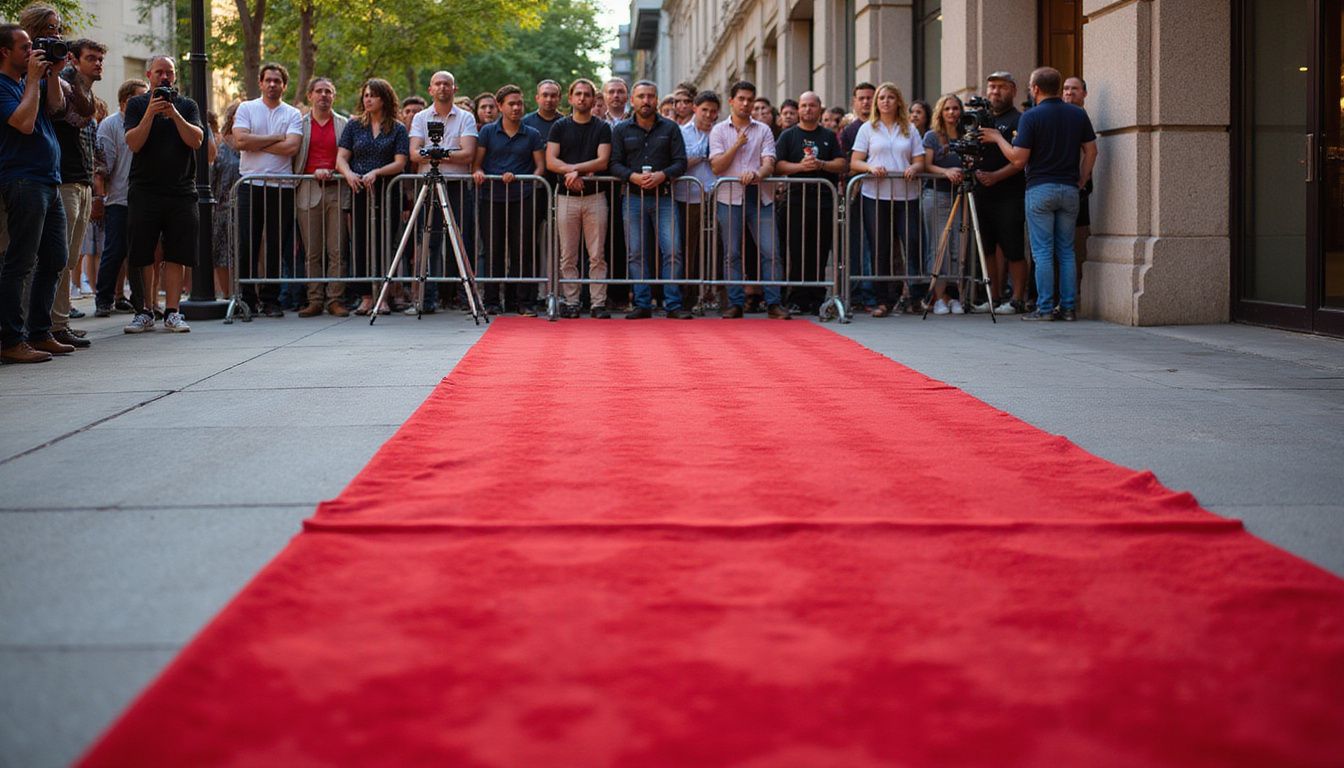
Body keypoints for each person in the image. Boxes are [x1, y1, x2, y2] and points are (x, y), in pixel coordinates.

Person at [982, 66, 1096, 321]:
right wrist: (1082, 178)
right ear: (1058, 87)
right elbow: (1091, 151)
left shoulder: (1030, 116)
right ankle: (1068, 308)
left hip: (1040, 188)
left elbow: (1018, 159)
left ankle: (1044, 308)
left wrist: (998, 138)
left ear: (1035, 89)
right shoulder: (1077, 114)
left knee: (1043, 251)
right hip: (1069, 188)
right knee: (1066, 251)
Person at [0, 22, 70, 362]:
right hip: (23, 180)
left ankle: (40, 332)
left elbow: (57, 108)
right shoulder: (3, 86)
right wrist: (32, 80)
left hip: (49, 180)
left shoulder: (34, 80)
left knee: (56, 257)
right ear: (5, 52)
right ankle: (12, 340)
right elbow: (24, 124)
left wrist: (52, 73)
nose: (33, 52)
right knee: (21, 261)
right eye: (25, 47)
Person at [121, 54, 205, 334]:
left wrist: (174, 114)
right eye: (159, 72)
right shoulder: (137, 105)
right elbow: (133, 143)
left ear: (175, 75)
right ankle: (146, 310)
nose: (165, 77)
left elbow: (196, 140)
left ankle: (172, 312)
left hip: (181, 190)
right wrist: (151, 112)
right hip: (144, 190)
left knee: (178, 253)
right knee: (143, 252)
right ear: (149, 75)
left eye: (169, 72)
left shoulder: (187, 105)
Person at [610, 80, 689, 320]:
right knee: (636, 253)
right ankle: (642, 304)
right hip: (633, 198)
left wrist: (662, 175)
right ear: (632, 100)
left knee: (672, 251)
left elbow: (681, 162)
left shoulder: (671, 128)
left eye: (650, 96)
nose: (646, 101)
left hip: (664, 198)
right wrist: (632, 177)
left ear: (657, 99)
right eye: (641, 96)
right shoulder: (621, 130)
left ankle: (673, 304)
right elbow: (614, 163)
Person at [710, 80, 789, 319]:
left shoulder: (763, 130)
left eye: (750, 100)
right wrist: (737, 144)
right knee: (732, 253)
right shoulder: (719, 130)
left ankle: (773, 303)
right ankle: (735, 303)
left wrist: (757, 175)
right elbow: (717, 166)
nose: (746, 104)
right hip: (729, 197)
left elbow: (769, 162)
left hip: (760, 197)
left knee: (771, 251)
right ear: (731, 101)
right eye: (741, 99)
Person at [233, 62, 303, 317]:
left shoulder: (292, 114)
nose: (272, 84)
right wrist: (276, 137)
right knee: (247, 242)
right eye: (268, 80)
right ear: (260, 83)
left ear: (284, 86)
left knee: (276, 245)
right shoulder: (246, 108)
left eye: (277, 81)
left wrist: (254, 142)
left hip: (281, 187)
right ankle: (247, 299)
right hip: (250, 184)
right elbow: (240, 140)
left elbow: (291, 147)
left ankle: (271, 299)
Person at [849, 81, 925, 317]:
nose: (885, 101)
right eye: (881, 98)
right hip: (875, 195)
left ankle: (914, 297)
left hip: (907, 196)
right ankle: (882, 300)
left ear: (898, 101)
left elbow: (920, 160)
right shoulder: (867, 128)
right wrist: (870, 167)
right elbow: (855, 161)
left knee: (912, 242)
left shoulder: (909, 128)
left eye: (890, 97)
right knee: (879, 247)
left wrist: (915, 168)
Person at [336, 78, 409, 316]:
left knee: (385, 243)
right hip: (360, 191)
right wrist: (348, 174)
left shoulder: (398, 128)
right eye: (366, 95)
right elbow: (341, 158)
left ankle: (383, 296)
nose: (368, 99)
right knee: (360, 243)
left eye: (373, 95)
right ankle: (366, 296)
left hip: (388, 192)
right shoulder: (354, 125)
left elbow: (400, 162)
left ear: (384, 99)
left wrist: (377, 172)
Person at [407, 70, 477, 314]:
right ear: (430, 89)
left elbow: (468, 154)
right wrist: (449, 153)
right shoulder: (420, 118)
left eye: (447, 83)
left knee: (462, 240)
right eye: (437, 84)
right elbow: (414, 153)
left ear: (454, 88)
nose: (442, 87)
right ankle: (427, 298)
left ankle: (466, 296)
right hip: (428, 185)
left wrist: (436, 154)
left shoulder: (466, 117)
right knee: (429, 241)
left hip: (457, 185)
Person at [471, 83, 544, 315]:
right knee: (493, 249)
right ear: (500, 106)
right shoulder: (487, 132)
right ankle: (492, 301)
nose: (516, 108)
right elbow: (477, 164)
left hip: (523, 197)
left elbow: (540, 167)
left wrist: (527, 179)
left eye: (519, 103)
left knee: (522, 249)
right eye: (511, 104)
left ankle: (521, 301)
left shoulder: (532, 134)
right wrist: (479, 173)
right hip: (491, 197)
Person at [48, 37, 102, 348]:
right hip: (64, 180)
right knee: (60, 257)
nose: (98, 63)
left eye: (100, 58)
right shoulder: (63, 84)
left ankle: (59, 322)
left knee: (70, 258)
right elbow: (70, 115)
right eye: (91, 58)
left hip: (81, 181)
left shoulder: (85, 91)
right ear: (73, 59)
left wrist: (94, 187)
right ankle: (53, 325)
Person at [774, 90, 845, 315]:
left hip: (824, 201)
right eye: (803, 105)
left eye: (812, 105)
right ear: (798, 109)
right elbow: (777, 165)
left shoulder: (829, 136)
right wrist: (800, 167)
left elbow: (842, 163)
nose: (807, 109)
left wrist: (822, 164)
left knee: (820, 250)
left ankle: (817, 298)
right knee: (797, 250)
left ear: (819, 109)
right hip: (796, 201)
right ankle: (796, 298)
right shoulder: (788, 135)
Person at [546, 77, 612, 318]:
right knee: (568, 254)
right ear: (571, 98)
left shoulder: (602, 127)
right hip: (566, 198)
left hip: (595, 197)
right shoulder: (559, 127)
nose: (582, 98)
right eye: (578, 94)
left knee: (597, 254)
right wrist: (572, 172)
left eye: (587, 94)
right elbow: (550, 160)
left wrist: (576, 170)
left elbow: (602, 161)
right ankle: (572, 301)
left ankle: (598, 303)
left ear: (593, 99)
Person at [968, 70, 1027, 315]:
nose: (995, 92)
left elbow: (1020, 160)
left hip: (1010, 194)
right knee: (988, 248)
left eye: (1001, 87)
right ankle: (993, 297)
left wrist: (995, 177)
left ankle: (1017, 299)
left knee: (1013, 248)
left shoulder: (1019, 120)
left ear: (1013, 90)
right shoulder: (980, 119)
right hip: (982, 193)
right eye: (992, 87)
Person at [293, 76, 349, 317]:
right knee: (312, 251)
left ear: (333, 96)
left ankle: (335, 299)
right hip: (308, 189)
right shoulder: (300, 124)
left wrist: (336, 171)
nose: (324, 95)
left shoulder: (344, 124)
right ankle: (314, 299)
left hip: (337, 189)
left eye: (328, 91)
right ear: (310, 96)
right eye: (319, 91)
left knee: (337, 249)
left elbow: (348, 156)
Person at [922, 93, 967, 315]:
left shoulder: (966, 135)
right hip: (936, 194)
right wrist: (946, 172)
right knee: (939, 247)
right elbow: (926, 165)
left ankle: (955, 296)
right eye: (947, 108)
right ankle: (938, 298)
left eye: (955, 108)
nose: (951, 112)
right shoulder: (932, 136)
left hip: (961, 195)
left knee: (958, 247)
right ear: (940, 111)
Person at [676, 89, 718, 313]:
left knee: (715, 247)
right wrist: (702, 155)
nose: (708, 115)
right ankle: (688, 297)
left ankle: (714, 294)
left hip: (717, 196)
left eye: (713, 111)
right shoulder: (681, 133)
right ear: (695, 109)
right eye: (704, 110)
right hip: (689, 197)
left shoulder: (721, 132)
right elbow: (679, 162)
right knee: (689, 248)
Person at [1063, 75, 1092, 293]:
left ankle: (1075, 294)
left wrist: (1082, 180)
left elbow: (1091, 152)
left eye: (1074, 88)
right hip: (1061, 188)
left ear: (1084, 93)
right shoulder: (1057, 116)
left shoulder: (1083, 117)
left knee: (1075, 245)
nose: (1069, 92)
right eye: (1065, 88)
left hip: (1079, 191)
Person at [210, 100, 240, 301]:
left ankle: (249, 295)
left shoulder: (253, 143)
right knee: (221, 253)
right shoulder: (220, 144)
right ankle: (229, 295)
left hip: (246, 205)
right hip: (222, 206)